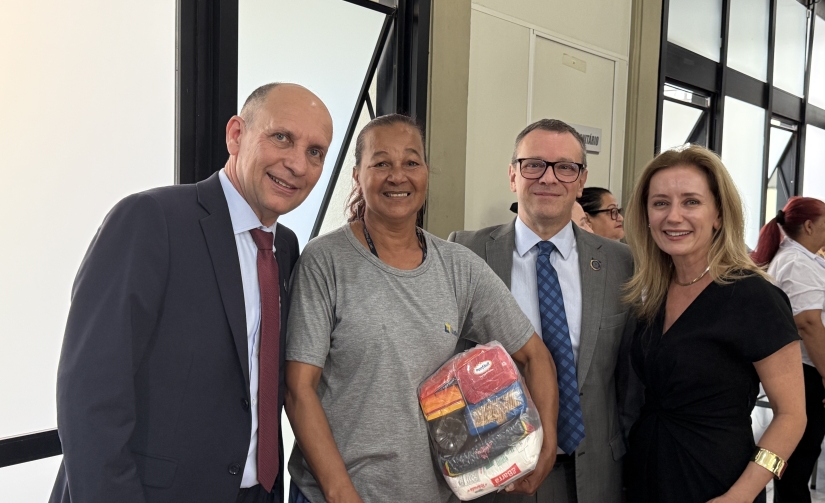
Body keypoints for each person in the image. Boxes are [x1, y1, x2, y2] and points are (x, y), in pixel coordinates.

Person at [49, 83, 333, 503]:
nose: (296, 163)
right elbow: (89, 395)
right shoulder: (150, 221)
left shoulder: (287, 248)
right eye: (282, 137)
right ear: (236, 135)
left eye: (315, 152)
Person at [285, 114, 559, 503]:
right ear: (357, 175)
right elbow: (298, 390)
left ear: (427, 172)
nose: (398, 176)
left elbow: (534, 355)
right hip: (332, 495)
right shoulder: (325, 261)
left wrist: (543, 448)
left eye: (411, 162)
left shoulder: (458, 267)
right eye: (381, 163)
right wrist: (341, 494)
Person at [450, 119, 638, 503]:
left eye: (565, 167)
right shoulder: (465, 253)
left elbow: (630, 378)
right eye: (533, 164)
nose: (549, 178)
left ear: (581, 180)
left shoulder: (622, 263)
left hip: (594, 472)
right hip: (499, 474)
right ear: (513, 176)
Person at [623, 146, 807, 503]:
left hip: (717, 483)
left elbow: (792, 416)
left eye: (691, 202)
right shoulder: (655, 291)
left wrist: (741, 495)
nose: (674, 216)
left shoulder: (754, 297)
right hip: (648, 473)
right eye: (660, 203)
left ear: (719, 215)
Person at [752, 197, 825, 503]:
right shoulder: (796, 261)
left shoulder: (802, 257)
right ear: (808, 226)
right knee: (797, 465)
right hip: (808, 371)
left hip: (806, 368)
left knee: (797, 461)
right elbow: (808, 323)